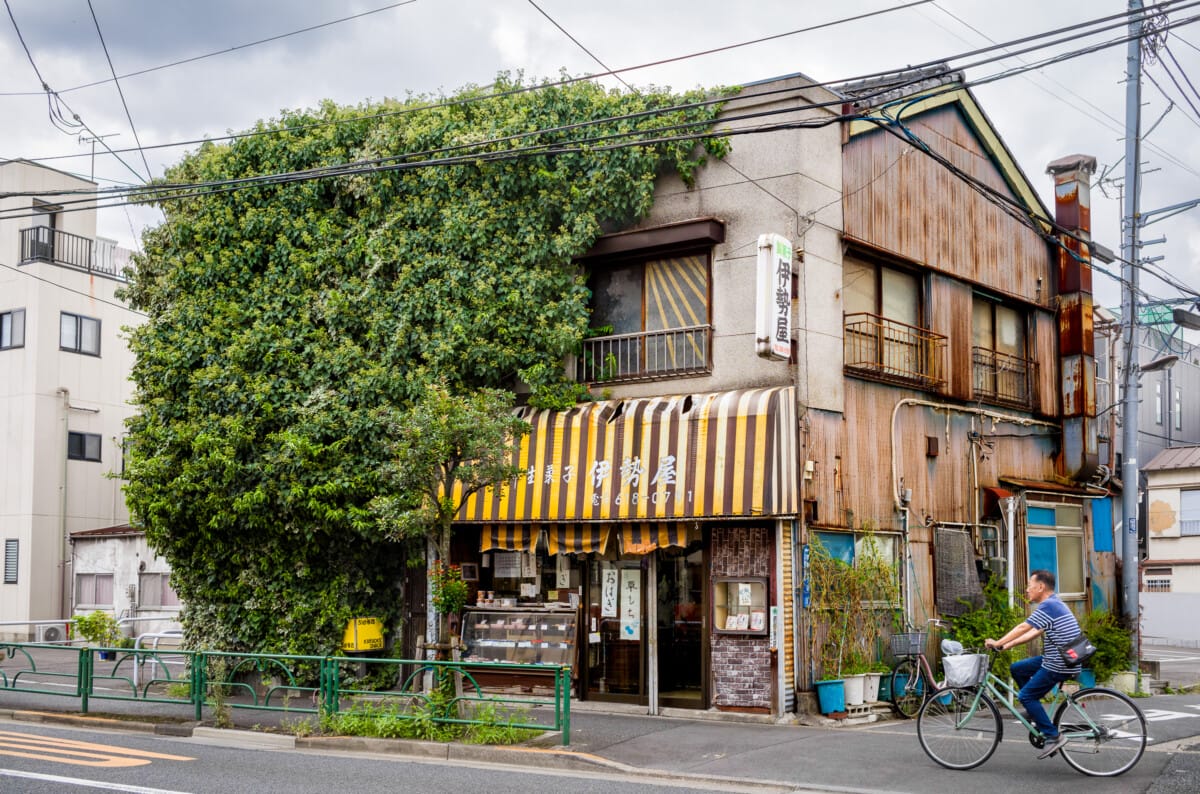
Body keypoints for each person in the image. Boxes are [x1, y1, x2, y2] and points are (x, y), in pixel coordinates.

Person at [985, 569, 1082, 759]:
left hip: (1059, 663)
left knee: (1026, 696)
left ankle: (1053, 736)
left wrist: (997, 642)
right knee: (1017, 669)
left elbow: (1023, 627)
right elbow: (1033, 633)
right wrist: (1006, 645)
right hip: (1060, 659)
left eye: (1030, 585)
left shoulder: (1048, 606)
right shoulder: (1055, 603)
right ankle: (1033, 711)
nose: (1027, 589)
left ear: (1041, 586)